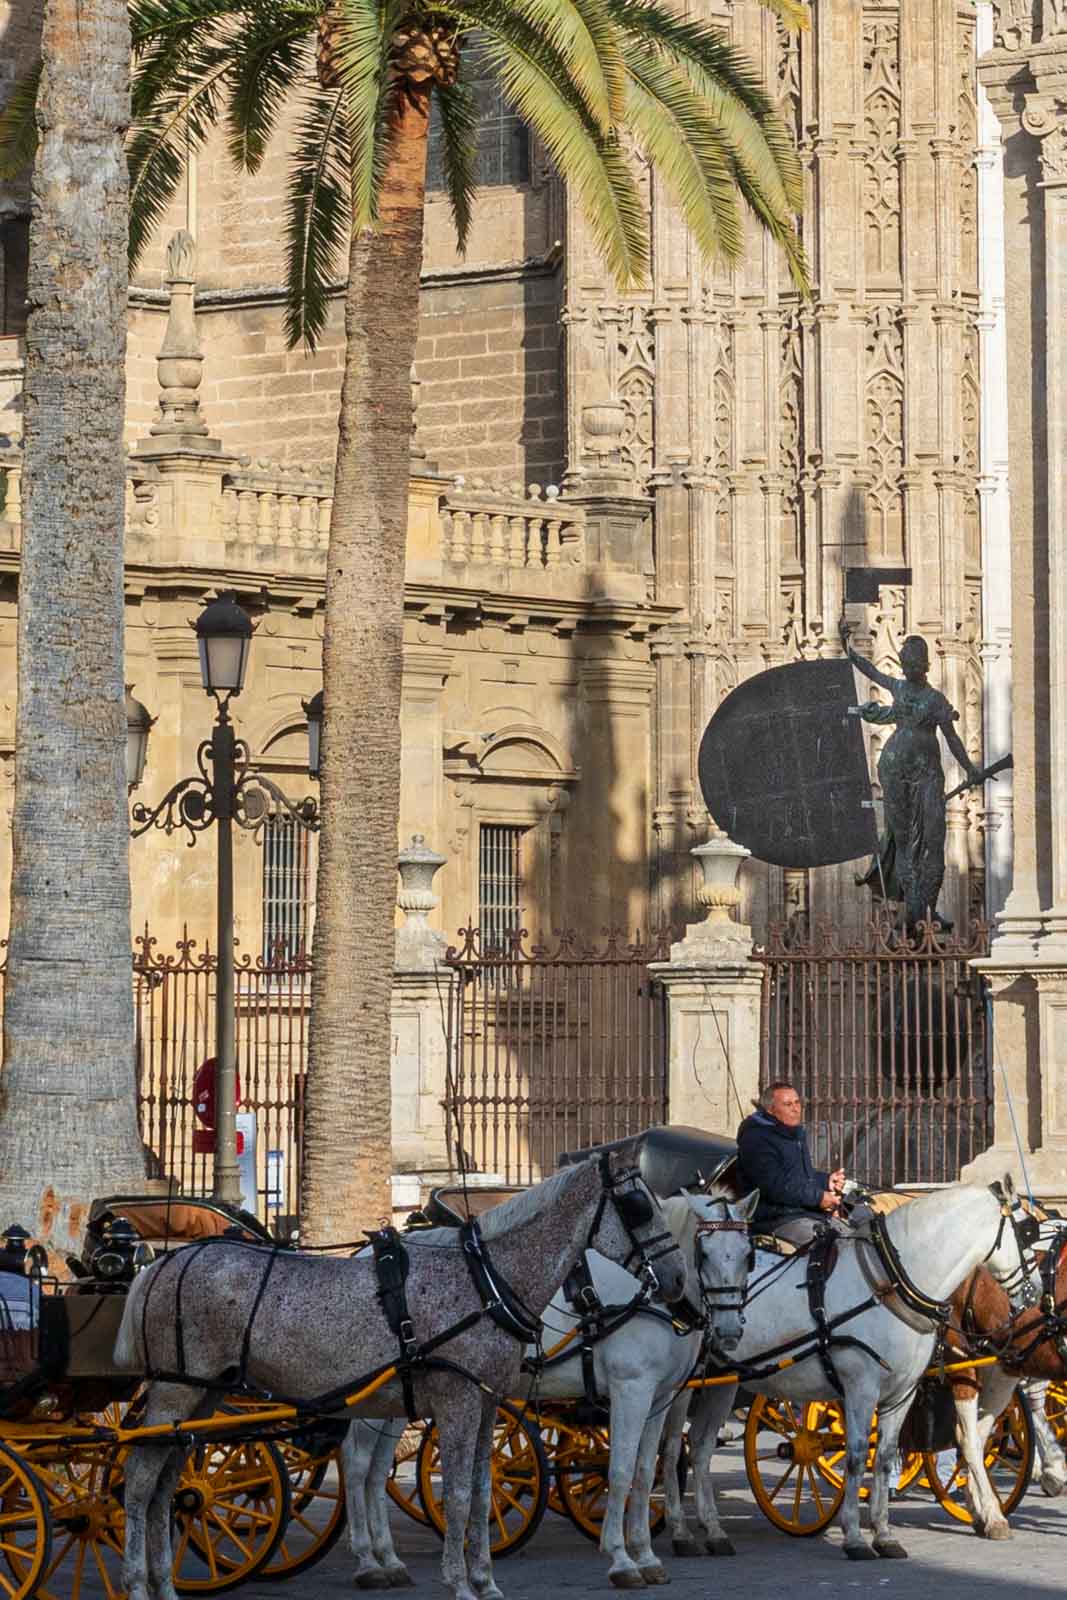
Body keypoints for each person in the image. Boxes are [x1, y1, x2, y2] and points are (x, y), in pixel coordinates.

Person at [839, 621, 983, 933]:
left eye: (911, 663)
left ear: (923, 665)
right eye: (905, 664)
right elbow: (871, 672)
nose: (906, 669)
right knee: (904, 842)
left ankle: (925, 908)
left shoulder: (935, 700)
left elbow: (953, 738)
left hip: (927, 774)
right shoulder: (899, 688)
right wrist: (848, 649)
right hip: (894, 769)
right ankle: (916, 910)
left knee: (932, 840)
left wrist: (971, 769)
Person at [736, 1082, 845, 1247]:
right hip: (775, 1220)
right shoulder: (757, 1139)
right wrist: (819, 1198)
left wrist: (826, 1181)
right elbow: (776, 1186)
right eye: (788, 1104)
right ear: (770, 1110)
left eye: (797, 1102)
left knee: (857, 1238)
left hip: (804, 1214)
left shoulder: (793, 1133)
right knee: (834, 1247)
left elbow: (797, 1176)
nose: (796, 1109)